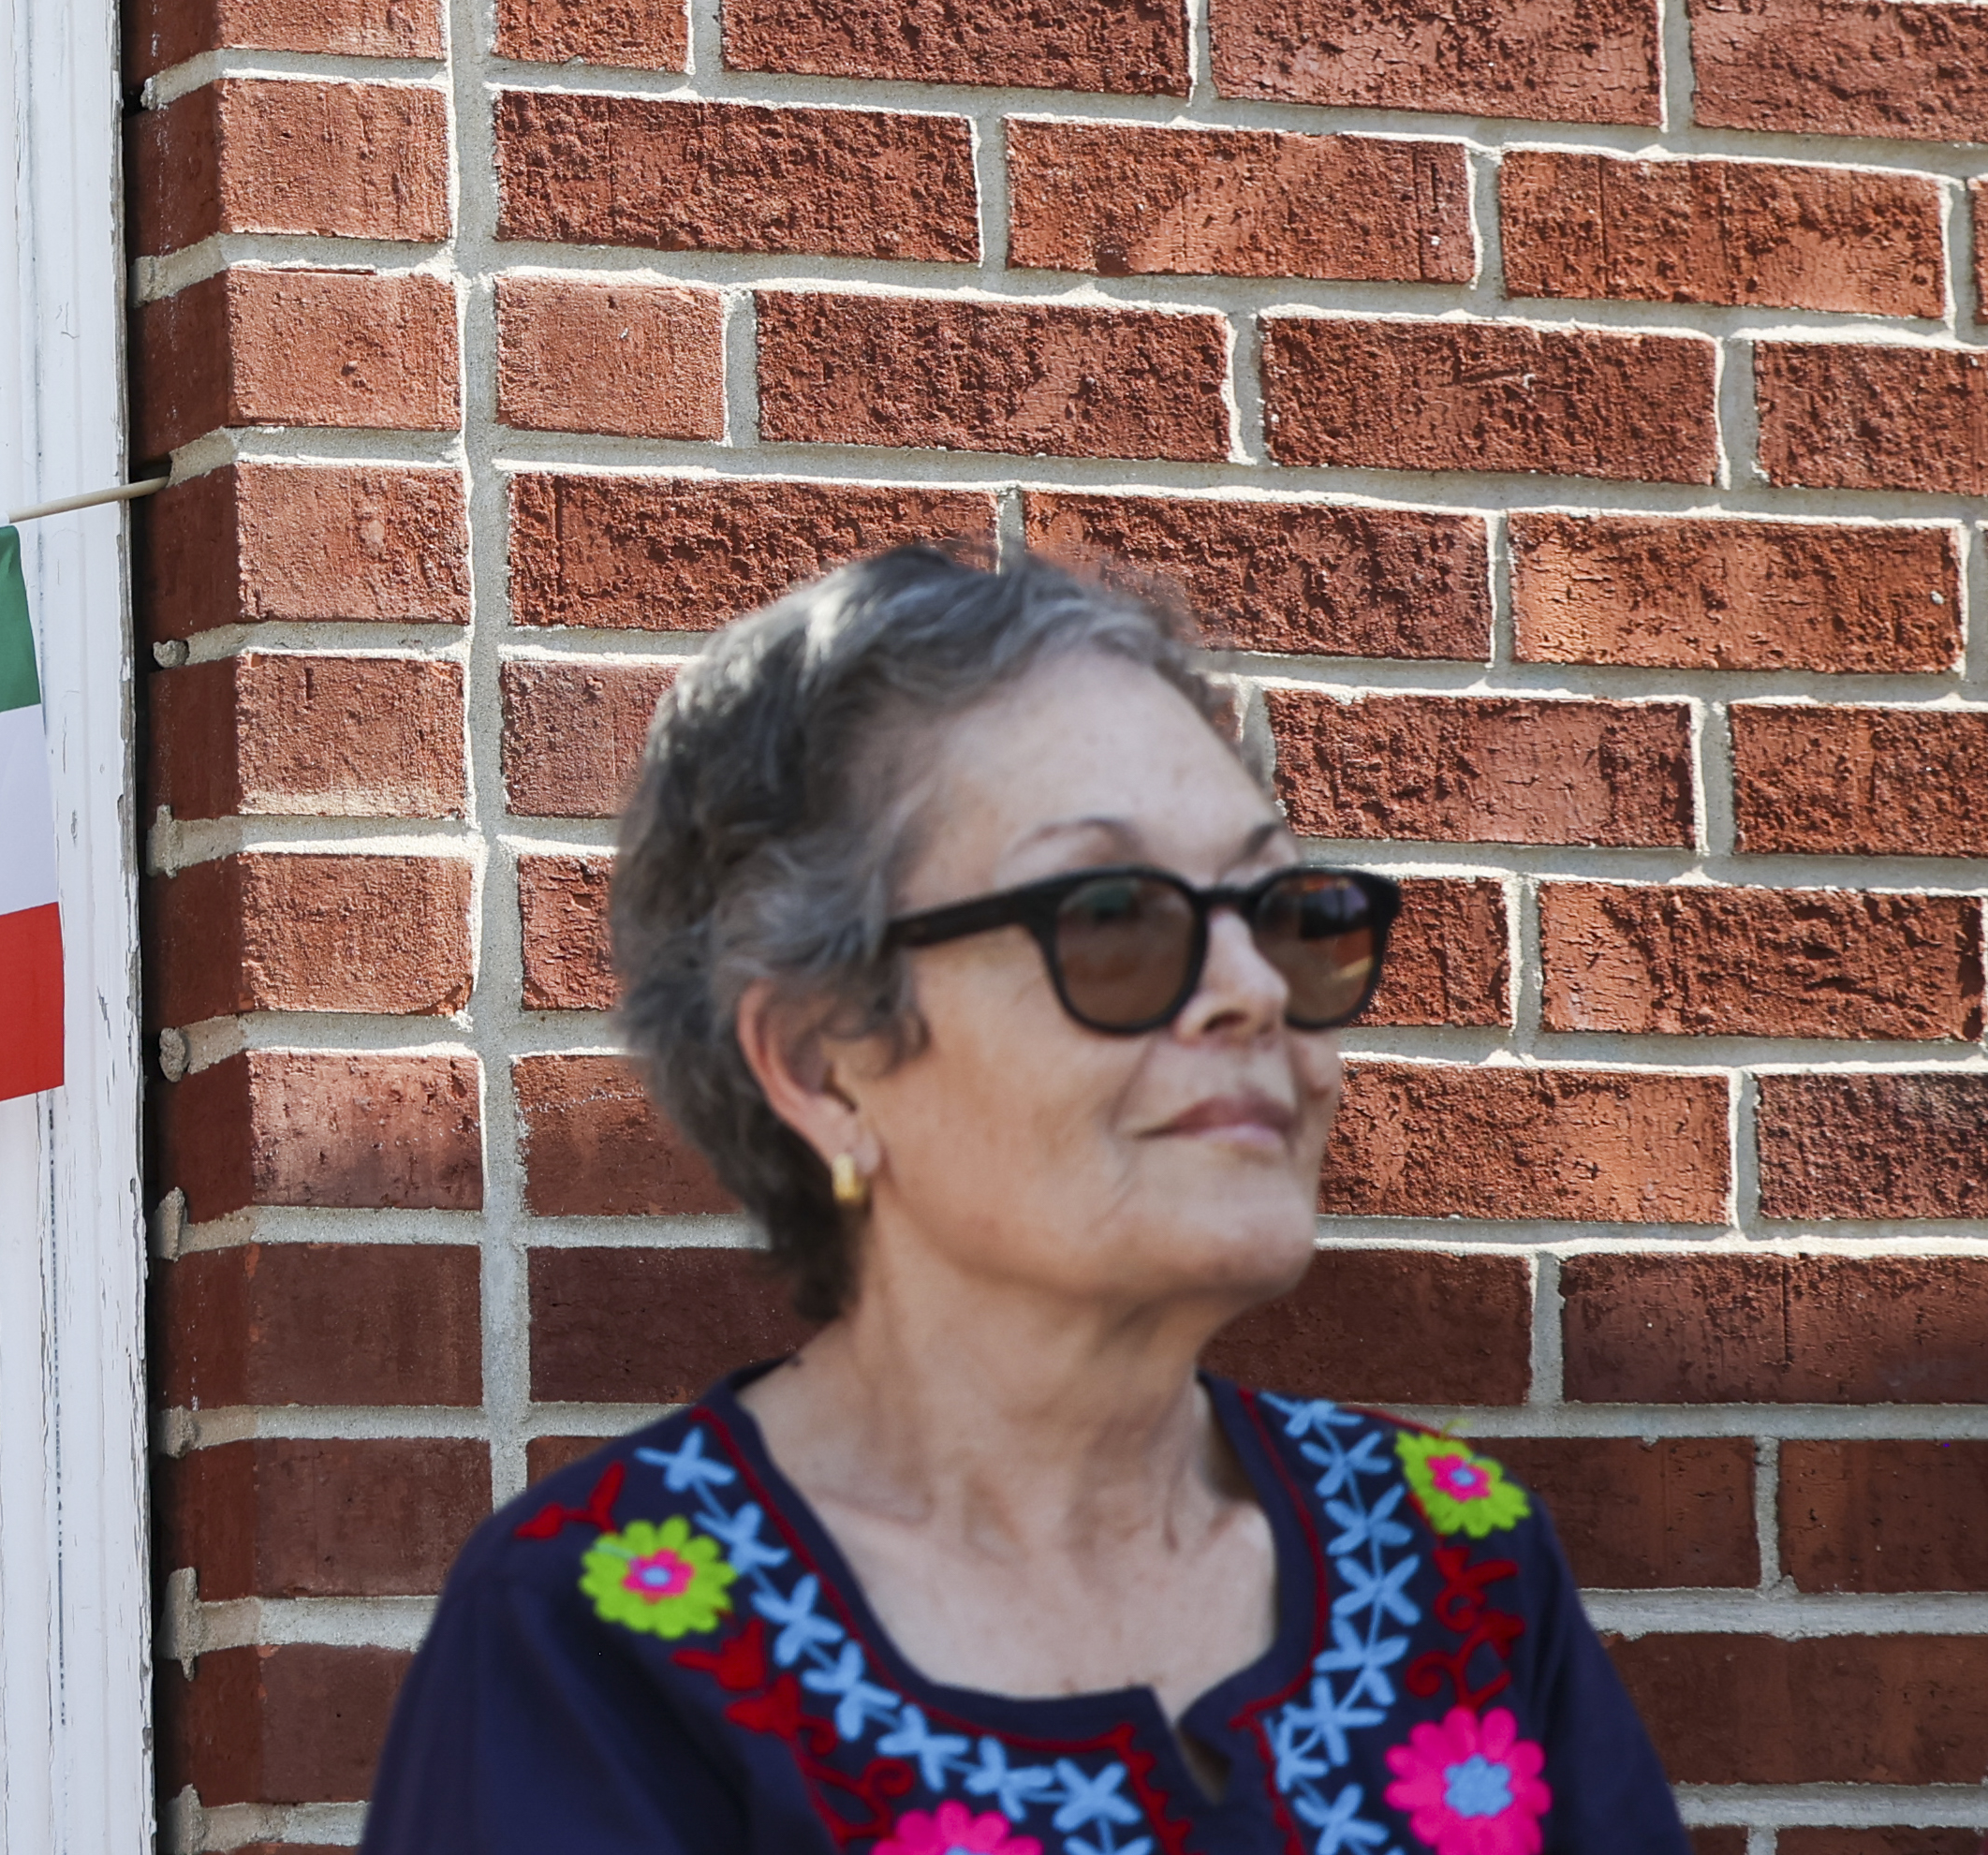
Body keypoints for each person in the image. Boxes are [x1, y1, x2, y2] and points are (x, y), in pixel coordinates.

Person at [362, 549, 1686, 1852]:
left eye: (1285, 912)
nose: (1256, 990)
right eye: (1113, 917)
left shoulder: (1453, 1566)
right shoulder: (596, 1647)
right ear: (825, 1064)